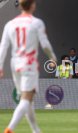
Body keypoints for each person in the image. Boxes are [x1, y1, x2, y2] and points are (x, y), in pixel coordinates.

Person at [0, 0, 57, 133]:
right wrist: (52, 57)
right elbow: (45, 44)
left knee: (27, 99)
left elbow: (3, 47)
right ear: (32, 5)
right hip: (29, 63)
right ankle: (10, 128)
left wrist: (0, 66)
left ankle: (36, 130)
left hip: (15, 63)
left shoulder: (10, 24)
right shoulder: (36, 23)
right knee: (26, 98)